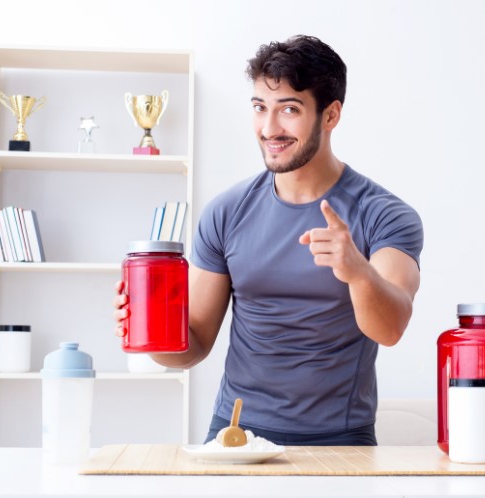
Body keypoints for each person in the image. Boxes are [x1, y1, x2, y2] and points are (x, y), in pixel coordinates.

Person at [114, 34, 424, 446]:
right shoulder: (226, 212)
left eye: (289, 109)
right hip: (235, 432)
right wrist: (149, 328)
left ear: (330, 115)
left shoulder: (384, 214)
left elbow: (390, 329)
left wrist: (358, 272)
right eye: (260, 107)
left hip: (340, 439)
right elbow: (195, 344)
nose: (269, 128)